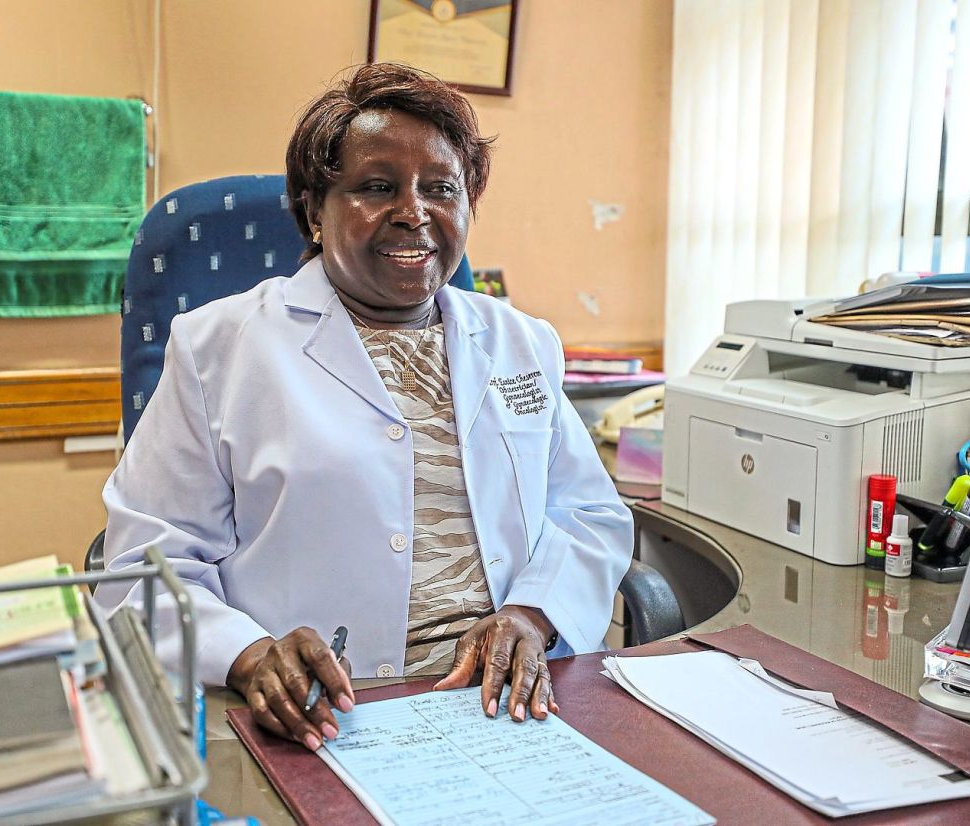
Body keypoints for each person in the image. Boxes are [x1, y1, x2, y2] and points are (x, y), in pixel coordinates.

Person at [98, 63, 632, 752]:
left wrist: (533, 614)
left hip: (508, 707)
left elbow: (588, 515)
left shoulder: (521, 341)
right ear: (314, 212)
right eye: (378, 187)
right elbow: (143, 571)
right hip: (319, 719)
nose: (414, 211)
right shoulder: (218, 347)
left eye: (441, 188)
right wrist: (250, 655)